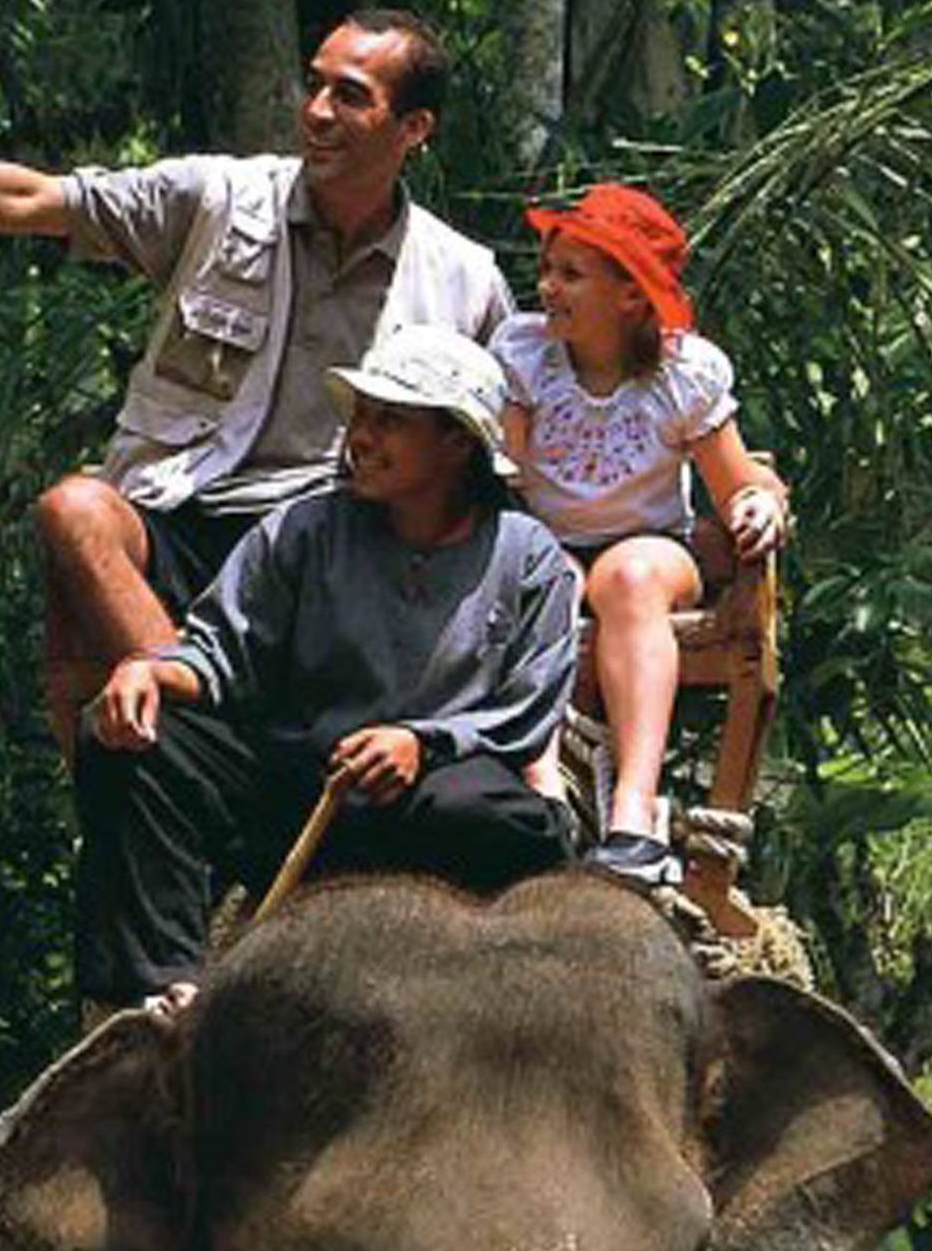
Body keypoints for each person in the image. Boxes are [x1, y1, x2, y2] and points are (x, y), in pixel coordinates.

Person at [0, 10, 512, 755]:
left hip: (328, 543)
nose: (317, 112)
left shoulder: (463, 280)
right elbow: (29, 198)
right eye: (315, 84)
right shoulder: (220, 199)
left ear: (414, 128)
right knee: (75, 509)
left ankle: (198, 740)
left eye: (350, 95)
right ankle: (199, 731)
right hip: (177, 509)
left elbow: (496, 467)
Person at [72, 327, 575, 1006]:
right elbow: (222, 651)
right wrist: (150, 671)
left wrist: (421, 744)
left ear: (457, 443)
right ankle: (159, 988)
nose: (360, 436)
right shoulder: (304, 530)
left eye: (389, 421)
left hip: (429, 807)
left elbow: (526, 710)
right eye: (360, 417)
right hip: (306, 791)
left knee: (493, 816)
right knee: (126, 737)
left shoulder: (526, 555)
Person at [491, 183, 787, 888]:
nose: (547, 288)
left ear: (629, 295)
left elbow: (736, 481)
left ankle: (634, 808)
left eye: (571, 274)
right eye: (547, 270)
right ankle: (542, 781)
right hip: (546, 541)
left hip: (651, 546)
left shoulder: (682, 372)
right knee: (546, 573)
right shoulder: (525, 355)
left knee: (627, 578)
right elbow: (503, 472)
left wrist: (756, 505)